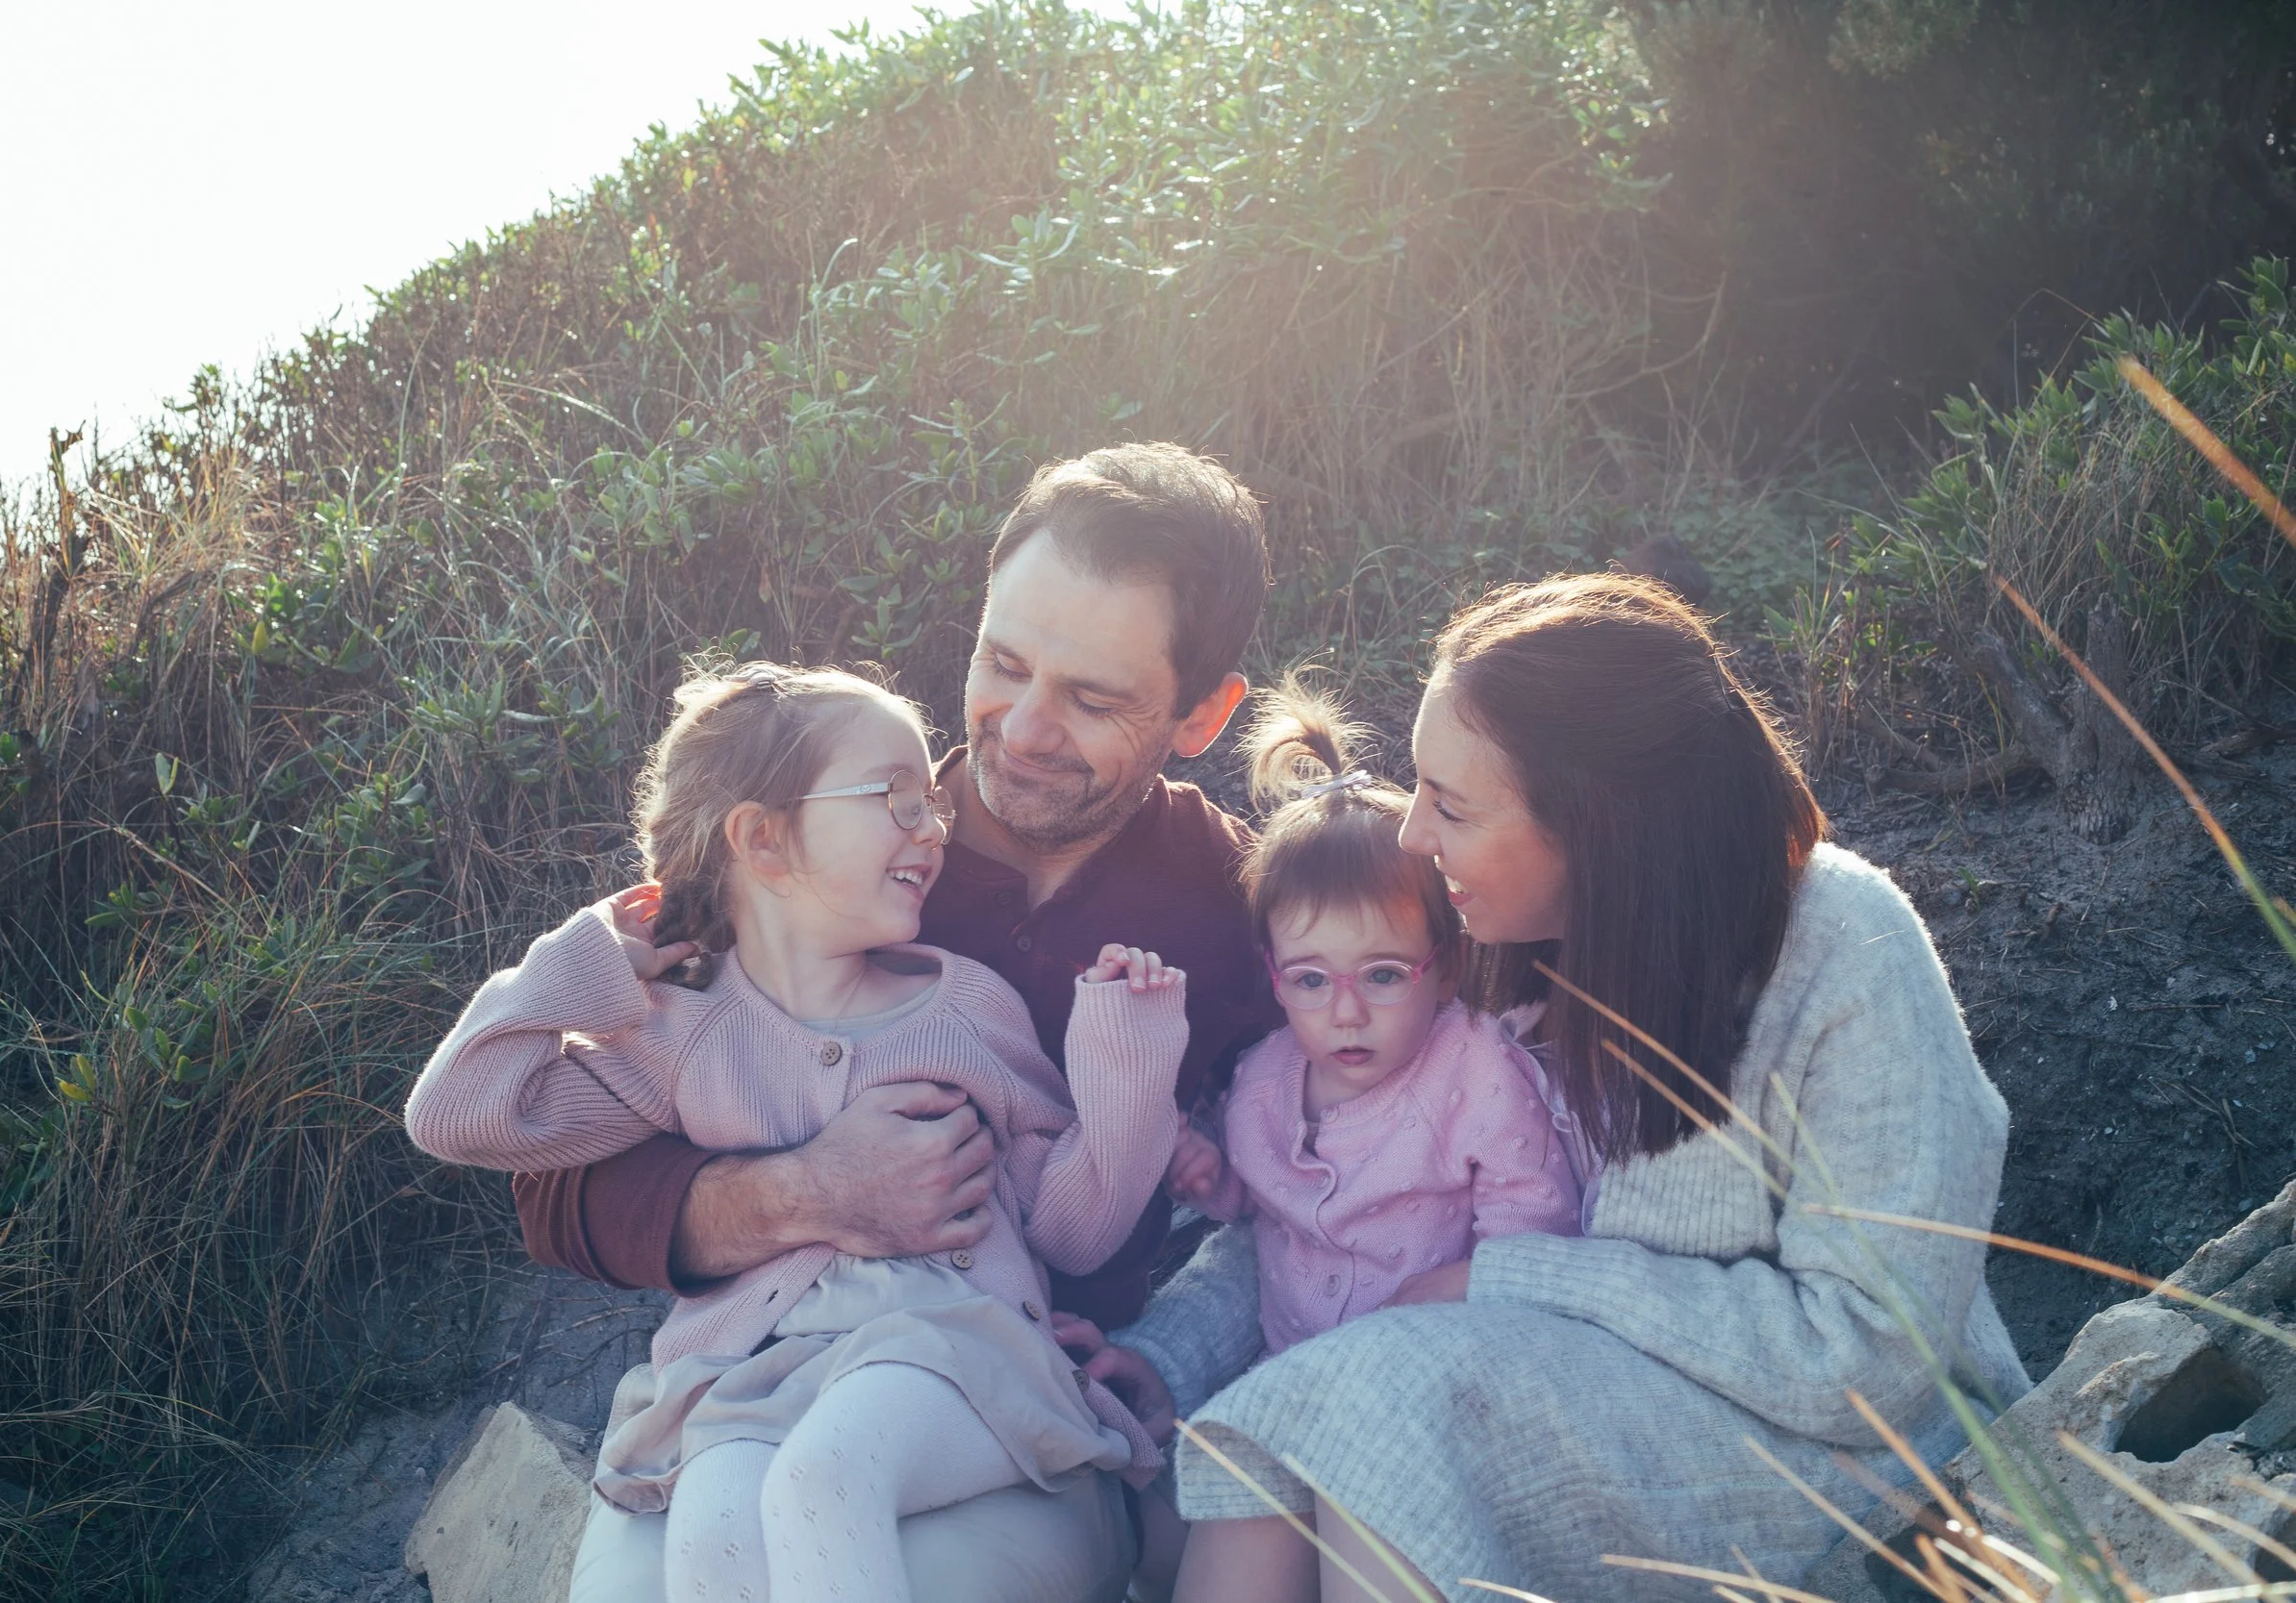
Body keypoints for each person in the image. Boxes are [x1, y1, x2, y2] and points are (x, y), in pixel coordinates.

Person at [1109, 574, 2035, 1602]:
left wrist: (1522, 1279)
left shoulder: (1845, 950)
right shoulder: (1488, 958)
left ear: (1594, 825)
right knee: (1278, 1449)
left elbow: (1863, 1358)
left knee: (1381, 1406)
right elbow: (1336, 1215)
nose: (1412, 835)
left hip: (1850, 1464)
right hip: (1552, 1389)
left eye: (1451, 804)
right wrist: (1169, 1352)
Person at [516, 443, 1280, 1599]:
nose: (1021, 727)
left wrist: (1175, 1346)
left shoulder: (1247, 913)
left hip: (1015, 1422)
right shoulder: (815, 842)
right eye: (1004, 660)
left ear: (1202, 713)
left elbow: (1323, 1187)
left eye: (1092, 698)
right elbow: (558, 1186)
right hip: (746, 1396)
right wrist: (804, 1189)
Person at [407, 664, 1189, 1603]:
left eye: (930, 803)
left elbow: (1073, 1226)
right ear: (762, 838)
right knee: (716, 1511)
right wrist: (590, 954)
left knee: (822, 1479)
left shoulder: (965, 1007)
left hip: (954, 1351)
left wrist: (1128, 1060)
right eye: (894, 797)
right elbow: (457, 1113)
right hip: (753, 1379)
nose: (931, 826)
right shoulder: (678, 1033)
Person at [1061, 676, 1583, 1590]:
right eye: (1311, 979)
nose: (1345, 1012)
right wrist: (1211, 1176)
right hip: (1282, 1384)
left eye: (1383, 975)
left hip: (1424, 1399)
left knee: (1321, 1529)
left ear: (1447, 967)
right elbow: (1260, 1231)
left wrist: (1468, 1309)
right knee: (1182, 1521)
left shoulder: (1477, 1073)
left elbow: (1530, 1228)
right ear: (1274, 975)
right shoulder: (1266, 1080)